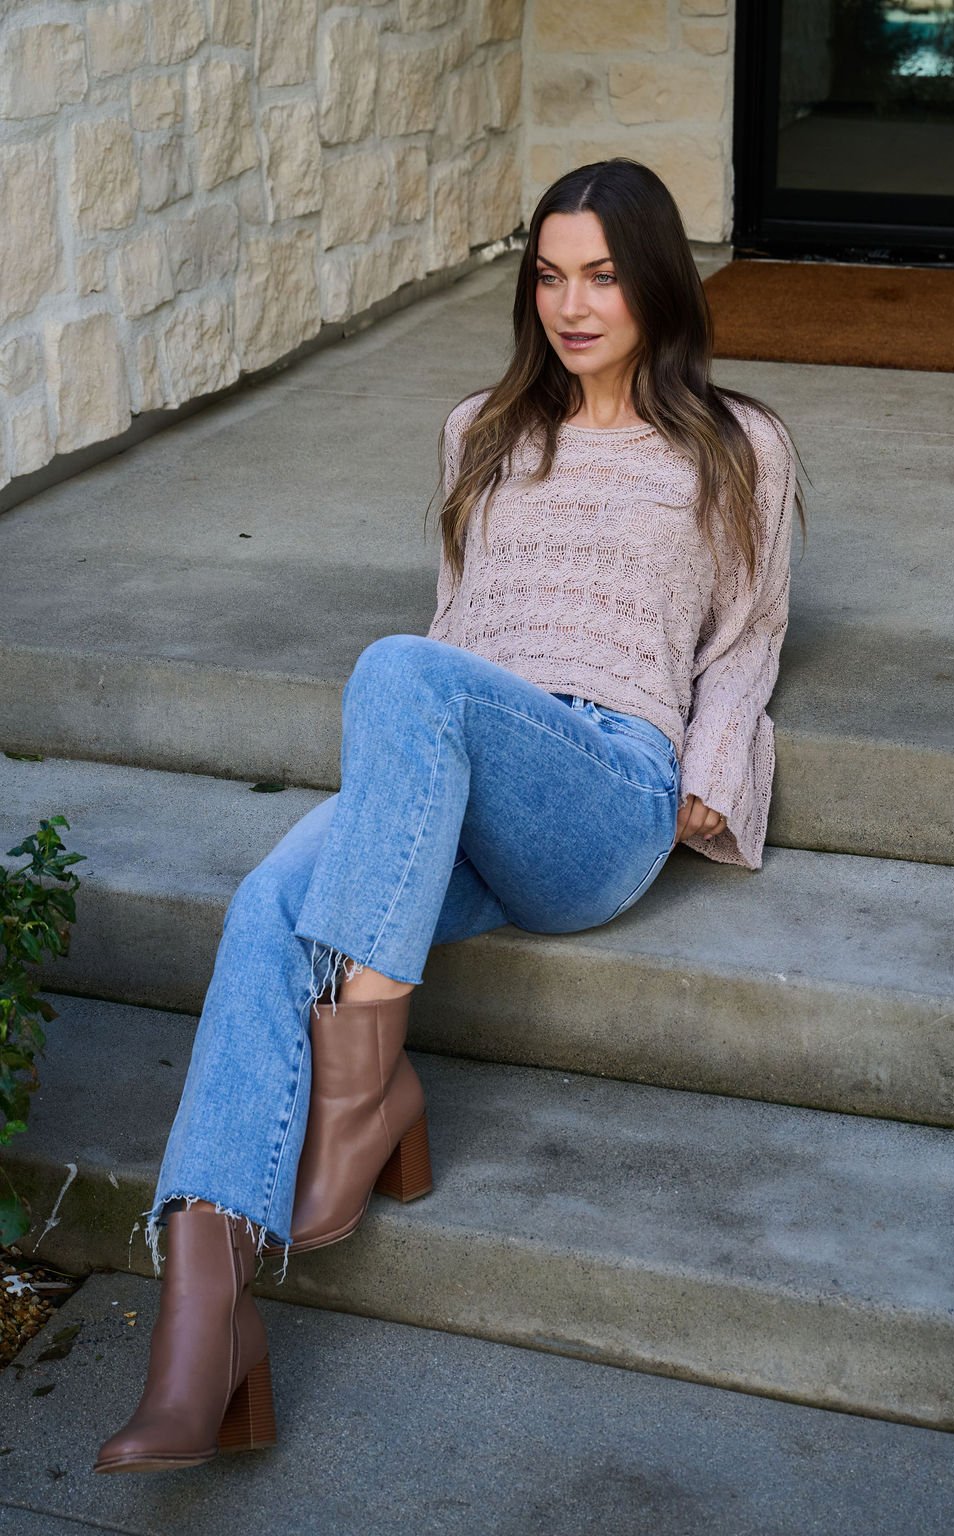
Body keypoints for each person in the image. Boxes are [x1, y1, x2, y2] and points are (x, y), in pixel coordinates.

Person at [93, 157, 801, 1474]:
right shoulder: (479, 427)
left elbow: (748, 643)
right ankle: (204, 1333)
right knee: (266, 904)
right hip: (450, 763)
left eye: (600, 275)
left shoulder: (734, 442)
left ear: (655, 281)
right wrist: (404, 783)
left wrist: (714, 774)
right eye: (547, 274)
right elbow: (456, 625)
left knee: (394, 671)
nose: (571, 305)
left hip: (600, 791)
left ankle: (365, 1087)